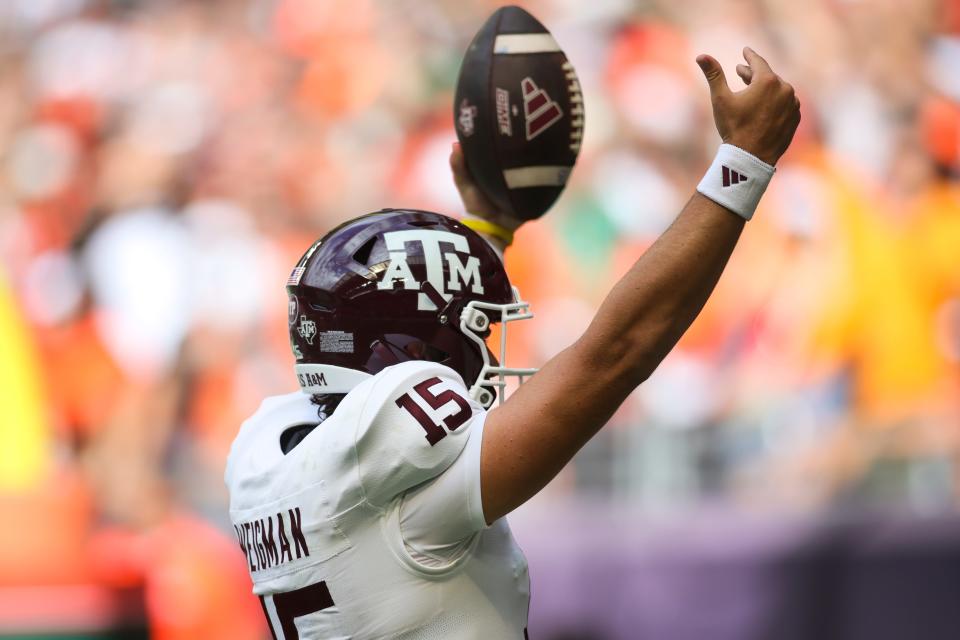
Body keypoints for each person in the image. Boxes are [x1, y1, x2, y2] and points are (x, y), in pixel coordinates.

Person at [224, 48, 800, 639]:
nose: (488, 350)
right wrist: (742, 164)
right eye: (474, 328)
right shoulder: (401, 484)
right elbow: (618, 353)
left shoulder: (275, 456)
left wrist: (486, 229)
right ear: (407, 354)